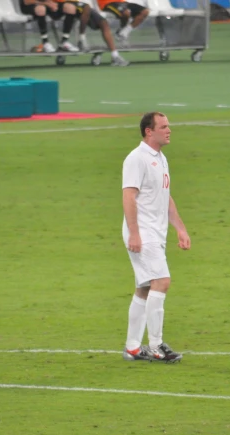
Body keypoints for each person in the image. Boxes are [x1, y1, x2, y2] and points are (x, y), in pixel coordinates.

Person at [122, 112, 190, 363]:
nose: (169, 130)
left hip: (155, 230)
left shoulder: (161, 158)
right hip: (142, 230)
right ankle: (156, 345)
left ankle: (132, 347)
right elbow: (128, 196)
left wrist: (180, 228)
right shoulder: (136, 158)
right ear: (149, 131)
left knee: (144, 288)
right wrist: (135, 232)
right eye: (163, 127)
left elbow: (165, 196)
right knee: (161, 282)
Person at [74, 1, 129, 66]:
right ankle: (81, 40)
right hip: (73, 6)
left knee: (104, 23)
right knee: (85, 10)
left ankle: (115, 55)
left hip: (89, 9)